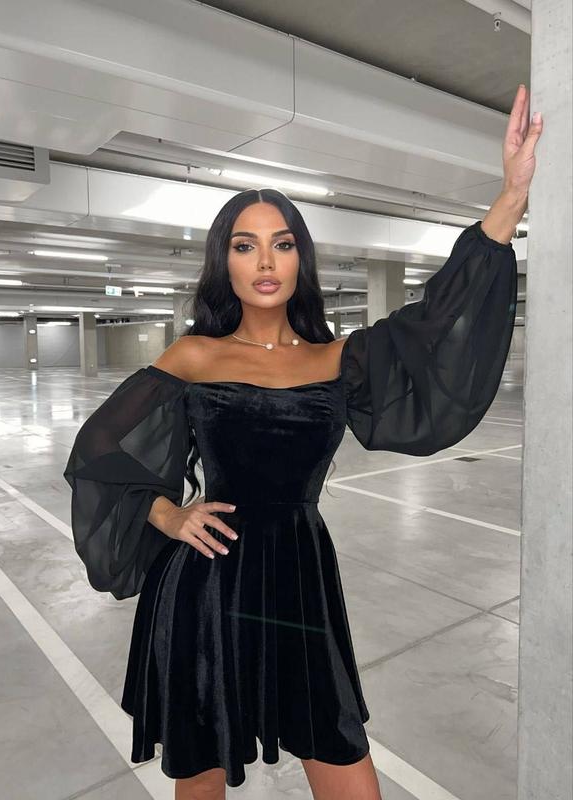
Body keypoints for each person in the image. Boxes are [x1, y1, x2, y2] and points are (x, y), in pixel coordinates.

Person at [63, 86, 540, 800]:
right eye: (245, 245)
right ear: (225, 263)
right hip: (209, 583)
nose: (265, 261)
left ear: (299, 260)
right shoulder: (194, 356)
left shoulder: (338, 358)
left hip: (301, 578)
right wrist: (167, 513)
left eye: (282, 244)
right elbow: (99, 448)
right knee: (201, 775)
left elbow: (438, 322)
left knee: (344, 762)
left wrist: (510, 199)